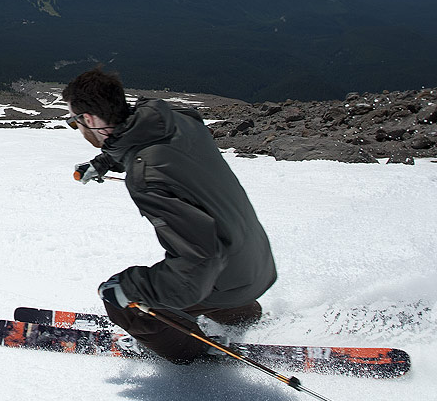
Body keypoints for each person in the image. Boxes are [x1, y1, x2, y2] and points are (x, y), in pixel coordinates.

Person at [63, 67, 277, 365]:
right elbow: (141, 139)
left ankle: (194, 350)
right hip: (256, 263)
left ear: (89, 119)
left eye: (76, 122)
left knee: (123, 302)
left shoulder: (147, 178)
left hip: (225, 278)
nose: (78, 128)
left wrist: (131, 289)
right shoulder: (175, 118)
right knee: (200, 272)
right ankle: (242, 315)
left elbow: (201, 260)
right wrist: (102, 163)